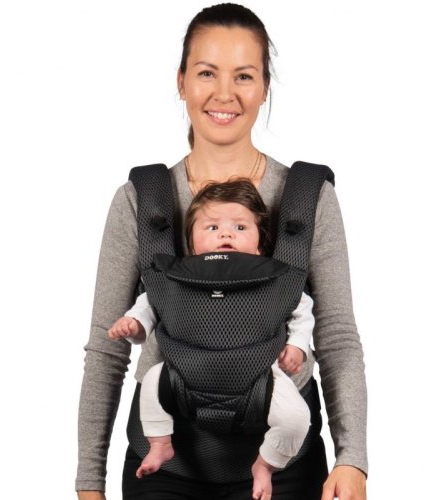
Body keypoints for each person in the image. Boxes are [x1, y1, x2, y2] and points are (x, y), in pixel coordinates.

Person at [76, 3, 368, 500]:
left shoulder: (306, 198)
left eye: (244, 75)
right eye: (207, 72)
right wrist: (89, 483)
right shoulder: (141, 201)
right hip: (162, 465)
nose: (224, 93)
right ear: (182, 81)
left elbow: (336, 334)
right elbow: (107, 349)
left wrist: (352, 459)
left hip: (284, 463)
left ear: (265, 87)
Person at [108, 179, 315, 498]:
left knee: (297, 418)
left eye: (240, 227)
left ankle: (266, 464)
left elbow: (302, 309)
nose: (226, 234)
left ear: (259, 245)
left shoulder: (275, 278)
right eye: (213, 226)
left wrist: (297, 345)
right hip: (180, 377)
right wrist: (133, 326)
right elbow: (148, 308)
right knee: (150, 381)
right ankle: (160, 443)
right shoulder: (173, 277)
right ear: (191, 245)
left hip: (260, 380)